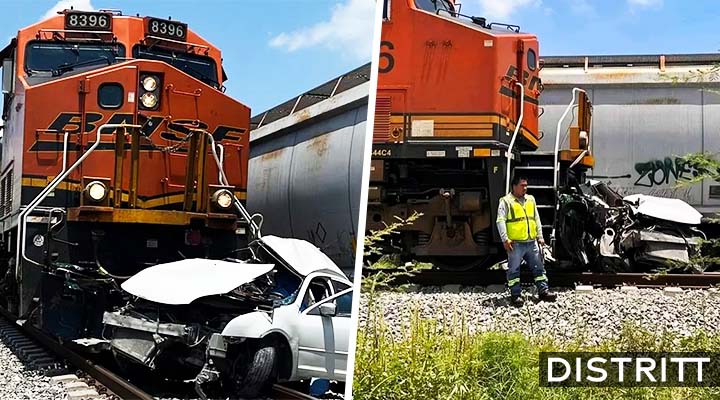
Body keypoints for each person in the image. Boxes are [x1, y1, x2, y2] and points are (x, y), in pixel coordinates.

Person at [496, 175, 557, 306]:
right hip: (515, 243)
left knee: (539, 268)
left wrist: (540, 236)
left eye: (526, 185)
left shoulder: (530, 199)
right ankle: (516, 295)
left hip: (531, 242)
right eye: (522, 186)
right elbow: (500, 221)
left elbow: (536, 218)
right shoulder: (506, 202)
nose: (525, 188)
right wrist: (505, 239)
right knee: (514, 270)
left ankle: (543, 291)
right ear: (514, 186)